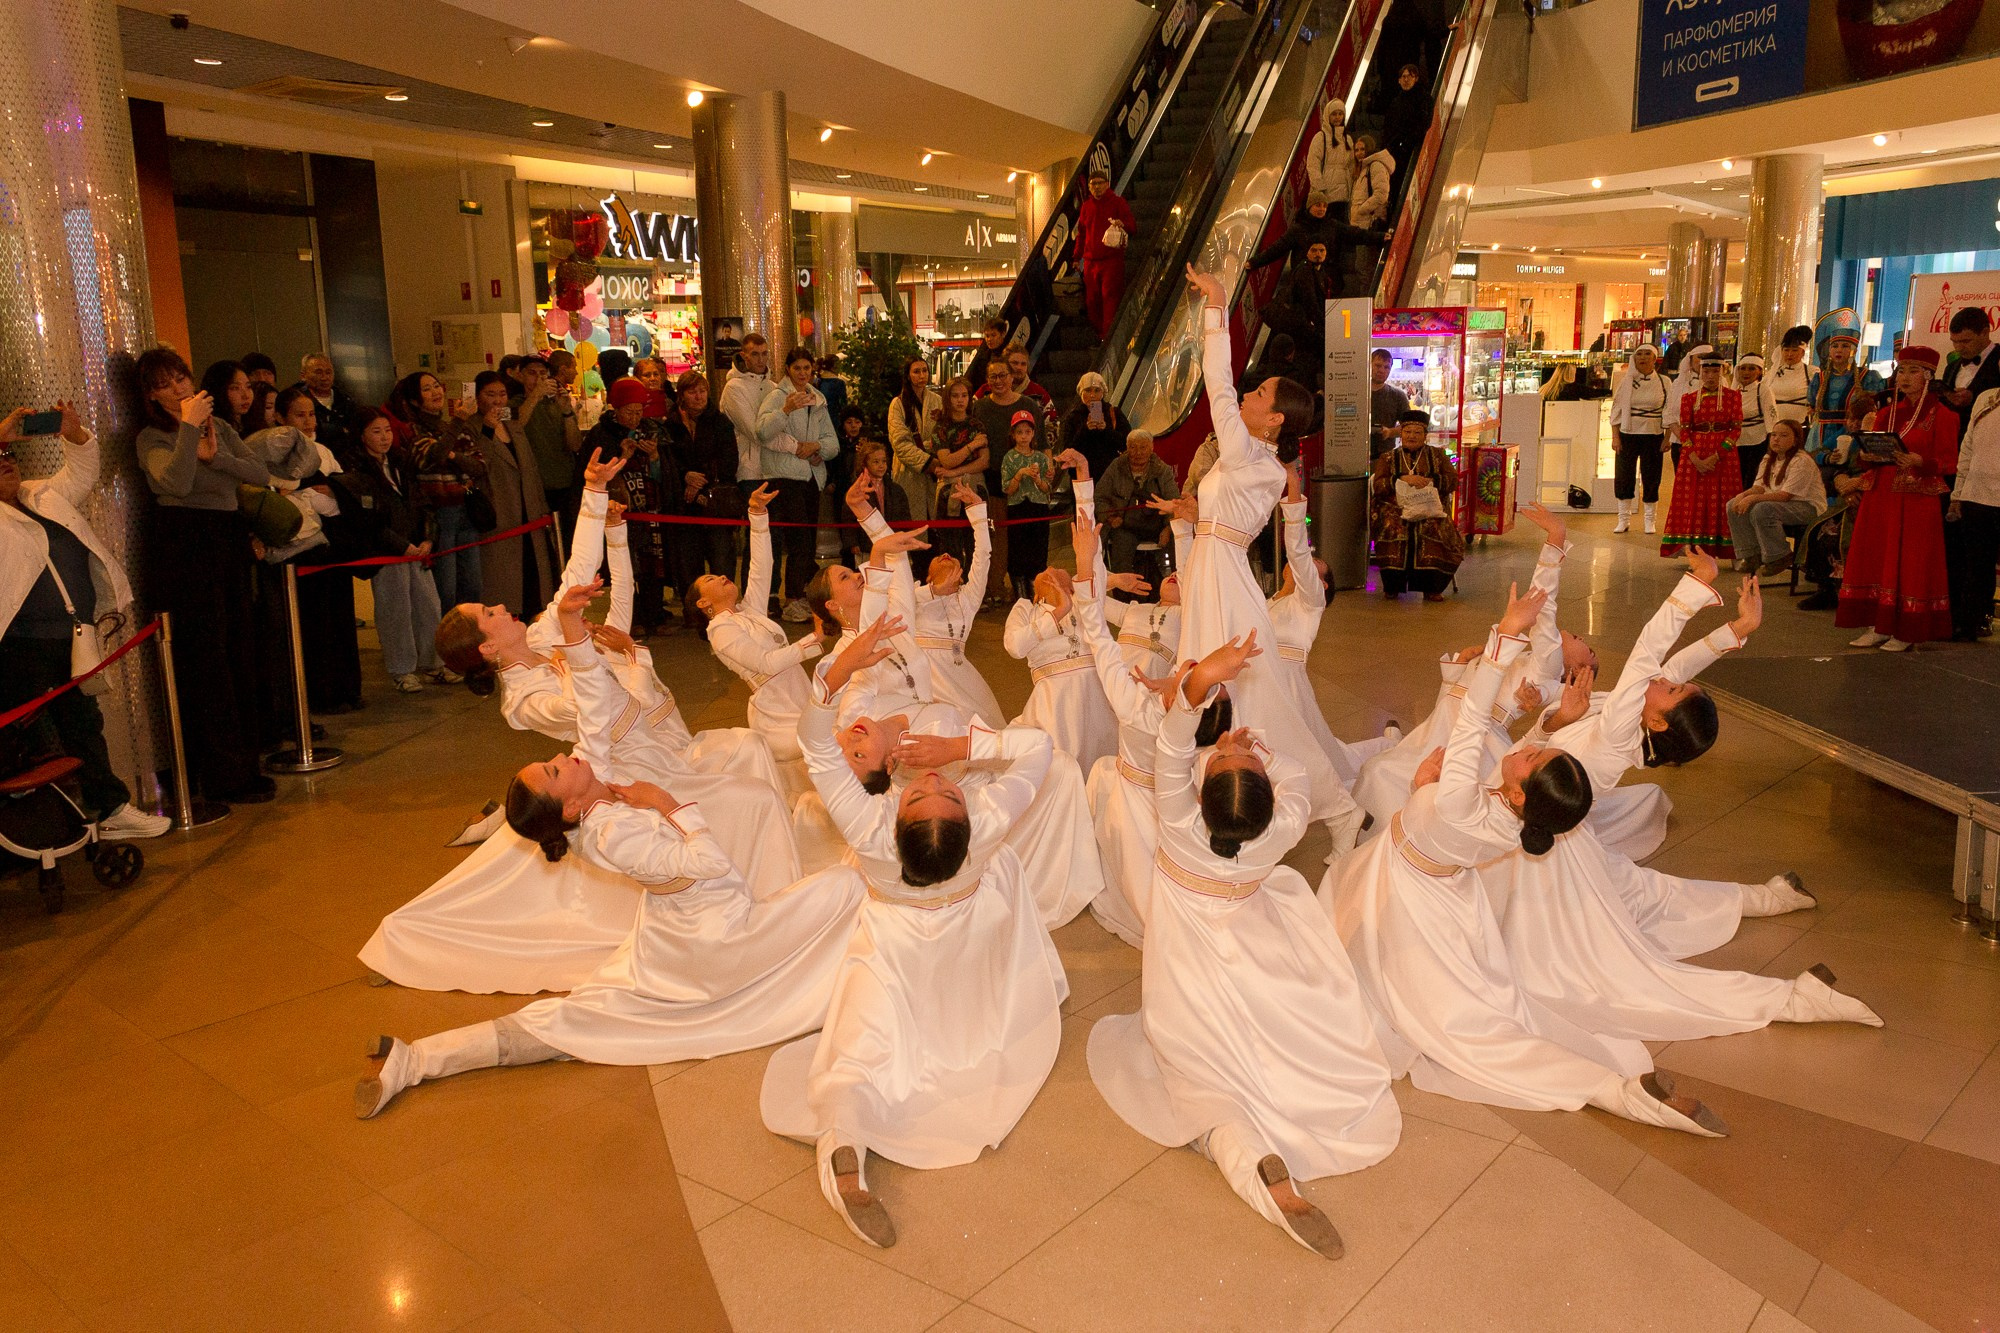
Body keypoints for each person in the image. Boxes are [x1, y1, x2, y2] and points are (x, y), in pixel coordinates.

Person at [358, 577, 863, 1113]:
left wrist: (576, 628)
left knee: (574, 1022)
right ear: (569, 807)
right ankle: (416, 1061)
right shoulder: (613, 831)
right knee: (577, 1025)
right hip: (713, 946)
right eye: (556, 768)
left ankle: (415, 1058)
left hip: (673, 942)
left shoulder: (594, 777)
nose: (566, 757)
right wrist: (667, 804)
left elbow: (597, 710)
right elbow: (707, 860)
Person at [1323, 585, 1734, 1138]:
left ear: (1519, 795)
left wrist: (1507, 634)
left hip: (1408, 897)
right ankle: (1620, 1081)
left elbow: (1471, 720)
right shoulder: (1513, 821)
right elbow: (1461, 782)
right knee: (1501, 1014)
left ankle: (1613, 1092)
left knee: (1467, 1032)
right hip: (1442, 888)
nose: (1526, 747)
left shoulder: (1458, 800)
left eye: (1531, 758)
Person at [759, 616, 1069, 1251]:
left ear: (896, 822)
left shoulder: (870, 835)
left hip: (891, 950)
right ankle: (845, 1157)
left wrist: (838, 672)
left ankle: (841, 1145)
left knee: (856, 1054)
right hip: (965, 949)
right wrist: (960, 751)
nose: (930, 784)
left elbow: (818, 747)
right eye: (944, 795)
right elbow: (1038, 748)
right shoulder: (984, 825)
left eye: (923, 795)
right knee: (936, 1043)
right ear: (966, 820)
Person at [1088, 634, 1398, 1260]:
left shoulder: (1178, 828)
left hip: (1189, 978)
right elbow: (1297, 780)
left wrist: (1200, 688)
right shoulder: (1280, 830)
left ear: (1201, 800)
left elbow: (1175, 746)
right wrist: (1256, 753)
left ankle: (1254, 1162)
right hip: (1256, 953)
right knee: (1251, 1056)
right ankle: (1260, 1163)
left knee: (1198, 1081)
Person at [1180, 263, 1360, 841]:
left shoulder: (1251, 458)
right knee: (1215, 686)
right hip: (1215, 572)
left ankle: (1333, 805)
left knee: (1254, 699)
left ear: (1274, 418)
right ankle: (1211, 786)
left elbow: (1217, 385)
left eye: (1259, 394)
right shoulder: (1257, 462)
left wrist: (1217, 308)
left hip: (1225, 582)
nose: (1246, 396)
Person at [0, 404, 168, 839]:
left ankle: (109, 808)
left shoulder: (41, 495)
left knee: (83, 722)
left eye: (9, 459)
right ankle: (48, 830)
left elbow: (82, 470)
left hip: (72, 635)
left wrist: (74, 435)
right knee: (32, 739)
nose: (8, 465)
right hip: (20, 645)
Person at [135, 346, 275, 806]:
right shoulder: (151, 438)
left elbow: (257, 472)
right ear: (151, 395)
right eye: (165, 383)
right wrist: (190, 432)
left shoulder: (222, 429)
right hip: (184, 543)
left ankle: (246, 762)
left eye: (181, 378)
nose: (177, 388)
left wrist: (216, 458)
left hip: (227, 535)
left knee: (240, 649)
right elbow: (172, 483)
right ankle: (219, 773)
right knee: (206, 658)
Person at [694, 483, 826, 805]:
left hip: (799, 695)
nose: (722, 576)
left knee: (819, 778)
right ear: (702, 604)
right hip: (778, 712)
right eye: (711, 580)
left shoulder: (746, 610)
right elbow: (766, 663)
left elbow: (762, 566)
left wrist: (757, 515)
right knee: (805, 789)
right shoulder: (719, 630)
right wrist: (816, 639)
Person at [1839, 343, 1956, 650]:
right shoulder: (1887, 413)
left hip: (1916, 498)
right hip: (1881, 495)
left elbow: (1949, 462)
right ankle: (1877, 625)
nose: (1904, 377)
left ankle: (1905, 629)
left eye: (1913, 371)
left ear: (1929, 376)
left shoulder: (1942, 415)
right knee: (1876, 556)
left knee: (1911, 561)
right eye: (1901, 370)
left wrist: (1921, 462)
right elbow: (1869, 455)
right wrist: (1867, 455)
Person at [337, 408, 446, 693]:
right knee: (395, 611)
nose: (384, 437)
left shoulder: (400, 463)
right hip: (386, 552)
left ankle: (433, 663)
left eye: (387, 430)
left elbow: (423, 504)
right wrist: (401, 546)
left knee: (429, 605)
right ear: (361, 435)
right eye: (376, 431)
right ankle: (402, 669)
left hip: (416, 549)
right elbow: (367, 520)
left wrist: (427, 538)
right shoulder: (355, 470)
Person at [467, 369, 558, 617]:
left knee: (535, 574)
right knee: (504, 578)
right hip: (501, 510)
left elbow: (530, 467)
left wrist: (540, 507)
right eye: (490, 394)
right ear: (477, 397)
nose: (497, 400)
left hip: (529, 510)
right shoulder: (473, 427)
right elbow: (478, 463)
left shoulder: (512, 425)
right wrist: (487, 429)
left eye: (502, 394)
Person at [911, 482, 1002, 727]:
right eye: (938, 557)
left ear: (961, 575)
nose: (946, 555)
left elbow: (983, 555)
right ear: (928, 575)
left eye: (952, 558)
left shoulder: (967, 598)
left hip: (956, 674)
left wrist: (977, 509)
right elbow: (893, 603)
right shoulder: (916, 594)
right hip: (919, 673)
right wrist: (933, 591)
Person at [758, 346, 839, 620]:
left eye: (807, 368)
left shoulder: (818, 400)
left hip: (811, 479)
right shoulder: (776, 397)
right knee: (797, 541)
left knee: (806, 542)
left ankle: (800, 594)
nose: (803, 373)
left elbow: (833, 444)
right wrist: (785, 410)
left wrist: (815, 447)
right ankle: (792, 598)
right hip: (785, 478)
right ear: (787, 370)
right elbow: (762, 432)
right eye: (797, 368)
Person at [393, 371, 485, 609]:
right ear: (415, 399)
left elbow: (478, 466)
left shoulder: (454, 427)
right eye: (426, 389)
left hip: (467, 509)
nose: (435, 392)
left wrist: (453, 454)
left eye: (436, 386)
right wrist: (456, 428)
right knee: (446, 588)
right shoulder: (413, 431)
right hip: (439, 515)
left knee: (472, 584)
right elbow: (432, 456)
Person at [663, 369, 742, 632]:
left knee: (721, 559)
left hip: (715, 504)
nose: (698, 397)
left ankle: (725, 611)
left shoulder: (720, 422)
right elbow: (668, 459)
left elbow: (729, 460)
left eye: (703, 391)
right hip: (684, 506)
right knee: (689, 563)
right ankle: (693, 615)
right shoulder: (670, 424)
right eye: (692, 391)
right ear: (681, 395)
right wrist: (685, 476)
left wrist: (701, 480)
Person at [1370, 409, 1463, 599]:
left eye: (1417, 432)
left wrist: (1430, 481)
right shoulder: (1388, 458)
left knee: (1434, 528)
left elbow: (1453, 481)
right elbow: (1378, 486)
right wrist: (1401, 479)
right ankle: (1392, 585)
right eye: (1407, 432)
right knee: (1391, 526)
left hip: (1430, 510)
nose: (1412, 436)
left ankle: (1432, 588)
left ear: (1425, 436)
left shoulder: (1438, 456)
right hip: (1395, 511)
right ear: (1401, 434)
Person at [1661, 355, 1742, 559]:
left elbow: (1735, 429)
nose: (1711, 376)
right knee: (1694, 502)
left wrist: (1717, 455)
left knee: (1723, 501)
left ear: (1722, 372)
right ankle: (1696, 552)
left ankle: (1729, 550)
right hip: (1695, 455)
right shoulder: (1688, 399)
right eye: (1706, 372)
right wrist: (1694, 458)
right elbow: (1685, 431)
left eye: (1715, 372)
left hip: (1723, 457)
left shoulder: (1733, 397)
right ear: (1700, 373)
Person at [1725, 420, 1824, 577]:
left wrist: (1752, 499)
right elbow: (1759, 487)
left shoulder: (1801, 461)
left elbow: (1785, 496)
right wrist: (1742, 496)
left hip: (1806, 507)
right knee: (1732, 505)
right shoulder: (1768, 458)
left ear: (1796, 439)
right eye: (1774, 435)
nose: (1776, 439)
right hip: (1781, 505)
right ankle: (1751, 554)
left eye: (1783, 435)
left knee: (1762, 509)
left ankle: (1780, 555)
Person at [513, 352, 583, 549]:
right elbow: (515, 426)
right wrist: (536, 394)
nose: (538, 378)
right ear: (520, 376)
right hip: (533, 487)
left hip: (564, 484)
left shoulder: (557, 404)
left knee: (570, 542)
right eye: (532, 373)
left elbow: (575, 445)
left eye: (543, 374)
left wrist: (567, 412)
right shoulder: (512, 404)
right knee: (542, 546)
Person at [1096, 428, 1179, 579]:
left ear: (1152, 448)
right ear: (1127, 448)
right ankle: (1123, 596)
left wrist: (1168, 527)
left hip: (1157, 524)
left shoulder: (1162, 470)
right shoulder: (1116, 467)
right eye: (1133, 447)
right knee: (1120, 550)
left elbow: (1174, 501)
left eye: (1143, 447)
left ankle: (1176, 588)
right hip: (1125, 526)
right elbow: (1100, 497)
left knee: (1177, 543)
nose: (1138, 452)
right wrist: (1111, 517)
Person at [1951, 388, 2000, 641]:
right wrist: (1958, 492)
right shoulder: (1986, 398)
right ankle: (1970, 622)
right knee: (1977, 566)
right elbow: (1968, 446)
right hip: (1976, 495)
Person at [1806, 309, 1884, 463]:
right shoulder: (1819, 378)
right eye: (1835, 346)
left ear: (1854, 351)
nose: (1839, 350)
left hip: (1852, 432)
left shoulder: (1867, 377)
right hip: (1820, 433)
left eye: (1845, 346)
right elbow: (1813, 406)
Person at [1000, 409, 1063, 600]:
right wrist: (1019, 475)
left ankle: (1037, 584)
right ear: (1013, 435)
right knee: (1018, 547)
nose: (1023, 436)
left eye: (1027, 432)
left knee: (1039, 546)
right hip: (1017, 507)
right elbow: (1007, 489)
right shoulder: (1009, 458)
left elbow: (1047, 488)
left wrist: (1038, 480)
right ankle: (1019, 586)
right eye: (1019, 432)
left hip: (1038, 507)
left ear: (1033, 433)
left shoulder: (1041, 458)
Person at [1245, 190, 1382, 277]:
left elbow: (1355, 234)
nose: (1321, 209)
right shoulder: (1298, 229)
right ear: (1309, 207)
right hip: (1304, 279)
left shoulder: (1332, 225)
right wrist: (1254, 262)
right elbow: (1277, 249)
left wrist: (1380, 237)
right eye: (1317, 205)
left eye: (1324, 206)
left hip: (1327, 278)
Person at [1074, 167, 1137, 340]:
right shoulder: (1086, 207)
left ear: (1107, 184)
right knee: (1092, 301)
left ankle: (1107, 336)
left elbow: (1132, 225)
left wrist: (1121, 223)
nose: (1096, 187)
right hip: (1090, 261)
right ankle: (1101, 333)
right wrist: (1076, 256)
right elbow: (1082, 233)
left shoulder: (1118, 203)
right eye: (1093, 184)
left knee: (1110, 297)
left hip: (1111, 259)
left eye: (1100, 183)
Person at [886, 355, 941, 536]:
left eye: (924, 370)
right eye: (916, 371)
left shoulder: (937, 400)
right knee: (912, 530)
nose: (921, 375)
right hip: (909, 472)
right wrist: (926, 462)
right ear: (908, 375)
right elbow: (900, 443)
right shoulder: (898, 404)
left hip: (935, 471)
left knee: (935, 528)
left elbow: (943, 434)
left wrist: (936, 458)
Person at [1346, 136, 1395, 294]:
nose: (1359, 153)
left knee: (1364, 267)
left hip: (1369, 224)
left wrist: (1361, 209)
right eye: (1357, 150)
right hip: (1360, 225)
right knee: (1362, 267)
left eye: (1362, 149)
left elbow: (1381, 194)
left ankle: (1366, 303)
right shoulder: (1361, 169)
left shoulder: (1375, 166)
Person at [1378, 63, 1432, 208]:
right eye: (1403, 76)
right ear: (1399, 80)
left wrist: (1407, 142)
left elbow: (1424, 124)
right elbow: (1388, 128)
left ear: (1416, 78)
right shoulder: (1396, 102)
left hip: (1410, 149)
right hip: (1395, 151)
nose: (1406, 79)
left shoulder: (1424, 99)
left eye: (1410, 76)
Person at [1059, 371, 1128, 481]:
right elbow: (1067, 450)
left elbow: (1126, 443)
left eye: (1097, 390)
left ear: (1102, 392)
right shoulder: (1073, 417)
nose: (1092, 395)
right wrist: (1085, 430)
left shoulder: (1113, 413)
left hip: (1110, 476)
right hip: (1082, 477)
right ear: (1081, 393)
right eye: (1087, 390)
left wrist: (1106, 430)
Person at [293, 352, 362, 453]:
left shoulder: (346, 401)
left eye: (328, 372)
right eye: (318, 372)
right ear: (303, 376)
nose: (324, 377)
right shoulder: (296, 401)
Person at [1733, 353, 1779, 489]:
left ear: (1759, 371)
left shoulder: (1763, 390)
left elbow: (1771, 416)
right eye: (1743, 368)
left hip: (1758, 441)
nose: (1746, 372)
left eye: (1752, 368)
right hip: (1736, 442)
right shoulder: (1734, 392)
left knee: (1753, 478)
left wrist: (1772, 444)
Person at [1303, 100, 1355, 207]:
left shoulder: (1348, 139)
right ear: (1327, 116)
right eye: (1334, 114)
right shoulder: (1320, 137)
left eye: (1340, 114)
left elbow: (1351, 166)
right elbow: (1313, 164)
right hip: (1326, 196)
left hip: (1344, 195)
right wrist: (1319, 187)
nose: (1337, 117)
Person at [1769, 324, 1814, 433]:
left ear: (1802, 352)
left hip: (1799, 426)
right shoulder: (1772, 373)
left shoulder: (1812, 372)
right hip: (1774, 426)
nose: (1789, 354)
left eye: (1794, 350)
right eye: (1786, 350)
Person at [1368, 348, 1408, 460]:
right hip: (1355, 451)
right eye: (1378, 365)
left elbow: (1408, 426)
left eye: (1386, 367)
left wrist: (1390, 432)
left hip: (1385, 457)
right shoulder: (1357, 393)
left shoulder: (1398, 396)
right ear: (1369, 365)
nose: (1381, 370)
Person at [964, 316, 1010, 395]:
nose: (989, 339)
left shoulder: (1009, 354)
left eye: (993, 335)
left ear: (1002, 334)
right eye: (987, 336)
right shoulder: (983, 354)